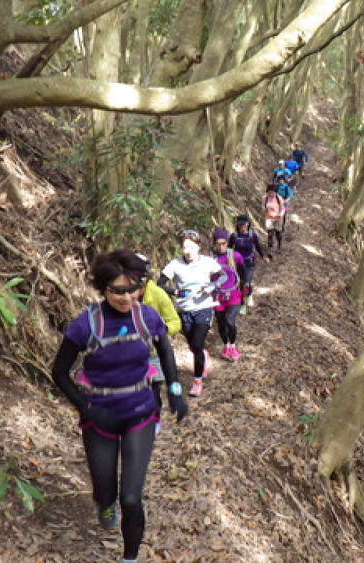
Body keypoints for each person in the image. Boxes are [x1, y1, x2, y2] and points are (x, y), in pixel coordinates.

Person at [50, 250, 188, 563]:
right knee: (105, 493)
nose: (126, 297)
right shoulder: (86, 324)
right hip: (99, 416)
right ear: (102, 289)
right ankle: (104, 502)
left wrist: (175, 391)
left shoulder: (148, 317)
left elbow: (165, 352)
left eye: (133, 288)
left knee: (131, 497)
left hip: (140, 412)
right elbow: (59, 372)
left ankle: (130, 558)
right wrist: (85, 407)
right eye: (117, 290)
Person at [158, 229, 228, 397]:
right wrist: (175, 292)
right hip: (184, 310)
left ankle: (197, 381)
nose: (188, 251)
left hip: (203, 308)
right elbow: (160, 283)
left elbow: (223, 275)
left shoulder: (206, 262)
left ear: (198, 247)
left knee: (196, 343)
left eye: (191, 247)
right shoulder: (175, 264)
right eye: (184, 247)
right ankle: (203, 354)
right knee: (193, 345)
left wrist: (213, 286)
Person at [135, 253, 181, 420]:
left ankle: (154, 422)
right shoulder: (121, 296)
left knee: (153, 391)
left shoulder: (158, 294)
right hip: (130, 355)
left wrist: (159, 332)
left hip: (154, 353)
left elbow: (175, 322)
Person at [210, 228, 247, 360]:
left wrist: (245, 290)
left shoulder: (235, 256)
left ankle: (233, 345)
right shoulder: (210, 259)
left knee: (230, 322)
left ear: (227, 242)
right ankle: (225, 345)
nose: (221, 246)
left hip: (233, 294)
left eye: (224, 243)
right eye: (218, 244)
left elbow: (243, 273)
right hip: (217, 295)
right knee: (220, 324)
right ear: (214, 244)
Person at [228, 214, 269, 313]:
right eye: (239, 225)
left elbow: (258, 247)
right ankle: (242, 304)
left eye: (243, 224)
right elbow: (229, 249)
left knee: (246, 283)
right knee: (240, 283)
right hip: (238, 263)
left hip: (249, 261)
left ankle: (249, 294)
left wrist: (263, 256)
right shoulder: (234, 236)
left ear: (248, 224)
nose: (241, 227)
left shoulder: (252, 235)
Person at [262, 183, 285, 252]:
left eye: (273, 193)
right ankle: (270, 248)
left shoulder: (279, 198)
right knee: (270, 233)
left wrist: (280, 215)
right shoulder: (264, 198)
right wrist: (264, 210)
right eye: (270, 192)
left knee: (278, 233)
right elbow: (263, 205)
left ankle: (279, 245)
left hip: (278, 218)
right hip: (268, 218)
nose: (271, 194)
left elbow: (283, 208)